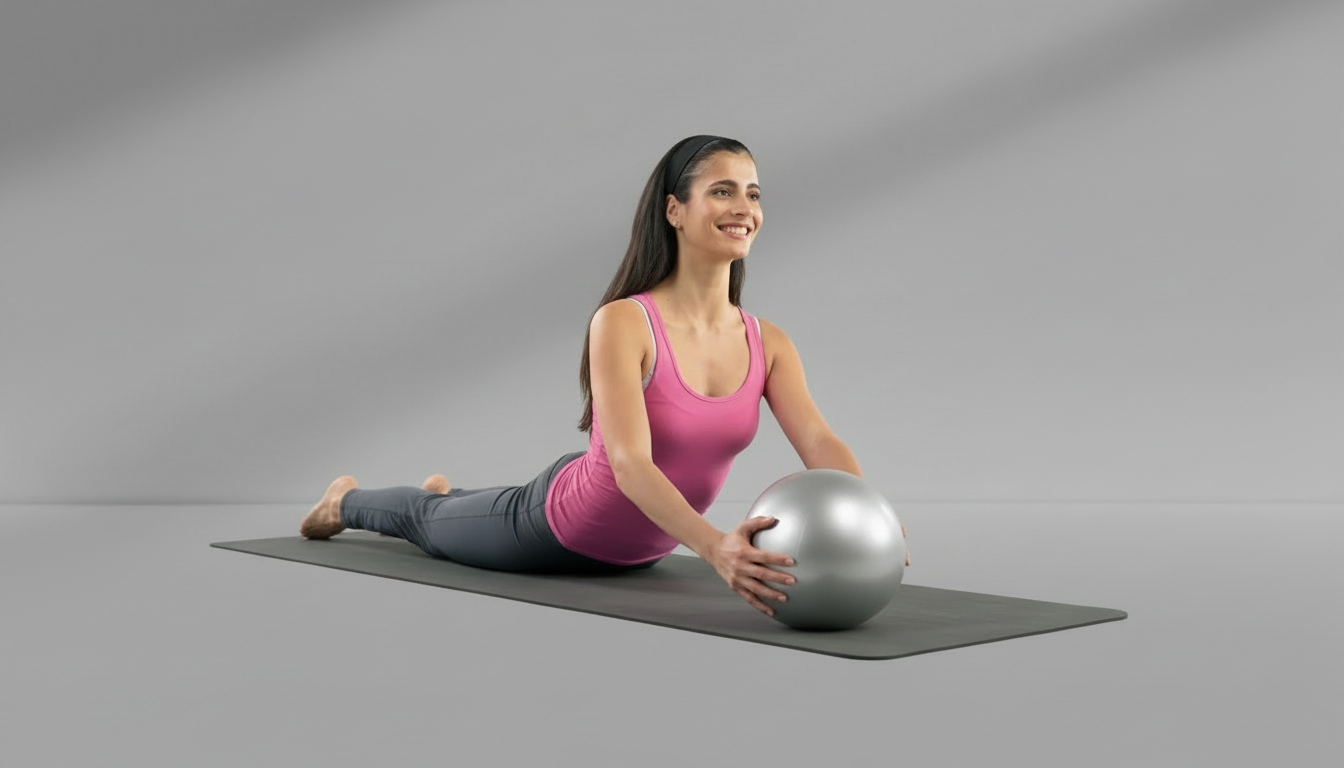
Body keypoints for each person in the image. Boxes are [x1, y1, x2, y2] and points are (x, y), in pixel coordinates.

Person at [299, 135, 907, 619]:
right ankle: (343, 501)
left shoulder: (768, 341)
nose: (744, 208)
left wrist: (869, 517)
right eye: (723, 191)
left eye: (753, 193)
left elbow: (821, 443)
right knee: (426, 524)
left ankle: (448, 499)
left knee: (452, 511)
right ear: (675, 209)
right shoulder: (624, 322)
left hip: (646, 548)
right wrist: (716, 547)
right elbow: (629, 465)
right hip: (555, 528)